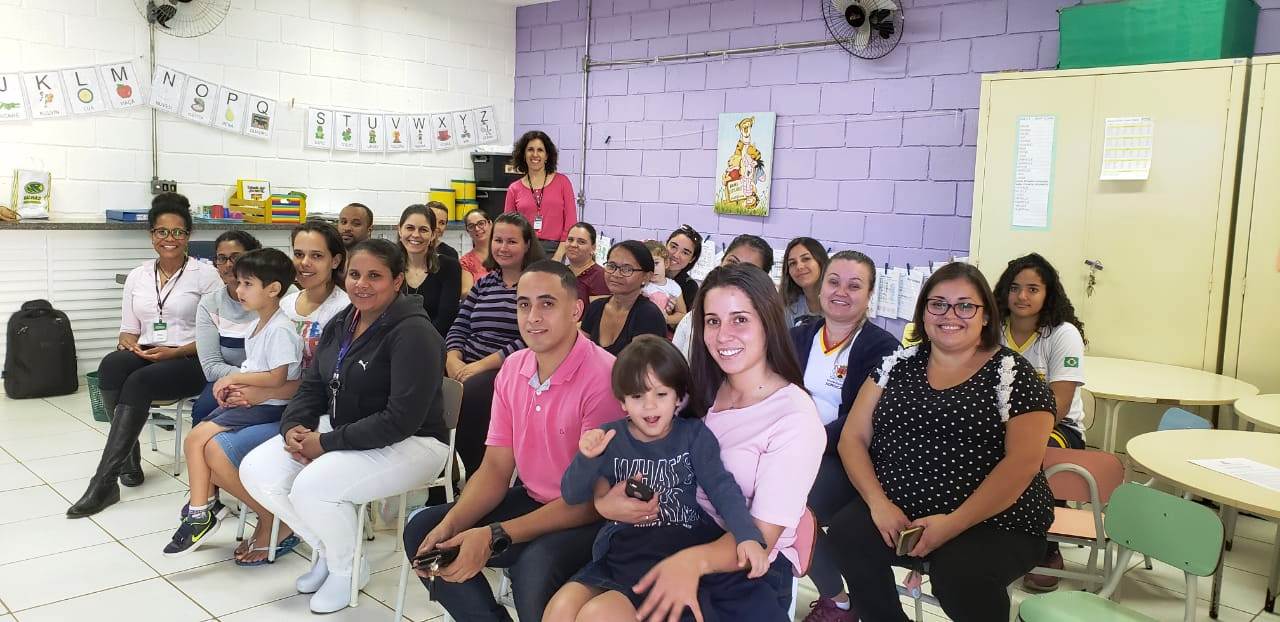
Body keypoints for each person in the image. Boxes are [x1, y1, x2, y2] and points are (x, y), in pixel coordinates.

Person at [827, 262, 1056, 622]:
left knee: (960, 574)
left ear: (985, 315)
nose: (950, 315)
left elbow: (1022, 464)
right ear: (923, 313)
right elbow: (852, 438)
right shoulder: (895, 366)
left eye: (965, 306)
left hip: (993, 519)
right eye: (938, 304)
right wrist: (878, 503)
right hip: (899, 507)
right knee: (846, 536)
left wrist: (953, 523)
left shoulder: (1013, 375)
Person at [598, 264, 825, 622]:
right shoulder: (700, 388)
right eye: (713, 322)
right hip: (673, 534)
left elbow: (761, 536)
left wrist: (692, 562)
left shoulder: (795, 417)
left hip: (743, 563)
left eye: (740, 320)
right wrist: (606, 500)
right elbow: (632, 445)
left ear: (768, 322)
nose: (722, 336)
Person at [405, 260, 624, 622]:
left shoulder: (604, 376)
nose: (533, 317)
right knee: (425, 532)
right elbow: (495, 468)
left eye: (547, 303)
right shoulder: (513, 367)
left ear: (576, 310)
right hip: (536, 498)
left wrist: (493, 534)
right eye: (524, 304)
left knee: (533, 572)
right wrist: (453, 523)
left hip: (594, 514)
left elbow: (589, 501)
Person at [240, 238, 451, 614]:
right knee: (257, 470)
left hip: (414, 443)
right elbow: (313, 386)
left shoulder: (414, 332)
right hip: (347, 428)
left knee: (313, 488)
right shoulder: (343, 321)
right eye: (355, 274)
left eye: (375, 276)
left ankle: (346, 570)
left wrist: (325, 443)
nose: (361, 284)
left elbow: (401, 420)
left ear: (397, 281)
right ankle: (329, 549)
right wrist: (295, 426)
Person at [545, 335, 770, 622]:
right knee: (560, 608)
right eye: (638, 396)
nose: (649, 406)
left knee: (598, 615)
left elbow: (722, 487)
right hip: (620, 552)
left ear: (679, 397)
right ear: (622, 402)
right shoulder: (610, 438)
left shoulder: (693, 435)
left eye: (661, 395)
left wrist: (747, 535)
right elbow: (571, 494)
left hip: (672, 551)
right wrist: (587, 457)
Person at [202, 221, 349, 566]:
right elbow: (264, 362)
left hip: (316, 409)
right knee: (204, 438)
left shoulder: (343, 310)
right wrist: (245, 389)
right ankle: (266, 513)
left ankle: (274, 520)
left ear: (336, 261)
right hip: (277, 400)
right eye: (298, 254)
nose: (305, 263)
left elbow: (330, 381)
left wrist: (256, 393)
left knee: (216, 450)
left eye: (316, 256)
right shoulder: (286, 301)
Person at [67, 193, 222, 518]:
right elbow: (129, 329)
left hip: (191, 359)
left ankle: (104, 482)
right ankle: (128, 458)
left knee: (138, 383)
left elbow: (215, 336)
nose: (169, 238)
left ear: (188, 236)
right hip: (150, 351)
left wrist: (174, 352)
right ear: (152, 235)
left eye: (178, 232)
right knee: (111, 366)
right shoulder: (138, 276)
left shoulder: (206, 276)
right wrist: (128, 342)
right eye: (162, 231)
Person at [164, 248, 302, 557]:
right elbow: (257, 368)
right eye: (239, 283)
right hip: (255, 402)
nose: (239, 290)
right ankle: (204, 507)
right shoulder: (258, 325)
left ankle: (200, 513)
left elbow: (277, 377)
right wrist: (237, 383)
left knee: (195, 439)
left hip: (270, 407)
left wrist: (234, 379)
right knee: (199, 445)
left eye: (247, 284)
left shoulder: (280, 329)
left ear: (273, 289)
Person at [788, 251, 899, 622]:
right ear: (821, 288)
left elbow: (865, 418)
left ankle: (838, 602)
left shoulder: (883, 348)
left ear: (869, 295)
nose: (841, 292)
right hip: (792, 447)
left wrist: (813, 442)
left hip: (844, 456)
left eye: (854, 286)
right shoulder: (799, 335)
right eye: (834, 282)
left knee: (793, 508)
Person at [993, 253, 1089, 592]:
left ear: (1048, 293)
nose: (1022, 296)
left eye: (1032, 289)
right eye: (1014, 288)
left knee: (1037, 453)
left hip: (1059, 429)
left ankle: (1047, 548)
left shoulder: (1062, 334)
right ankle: (992, 536)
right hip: (1000, 424)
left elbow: (1059, 406)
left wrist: (1016, 433)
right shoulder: (992, 329)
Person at [446, 212, 546, 474]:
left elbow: (529, 338)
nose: (503, 247)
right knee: (428, 387)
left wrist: (479, 367)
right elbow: (460, 324)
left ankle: (477, 474)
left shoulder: (536, 286)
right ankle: (443, 471)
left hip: (508, 369)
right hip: (467, 364)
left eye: (511, 241)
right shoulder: (484, 283)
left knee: (471, 395)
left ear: (527, 245)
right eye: (498, 240)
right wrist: (452, 358)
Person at [192, 230, 263, 424]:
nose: (228, 265)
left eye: (236, 257)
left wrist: (263, 382)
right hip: (230, 379)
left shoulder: (281, 295)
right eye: (222, 259)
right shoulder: (210, 304)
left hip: (277, 381)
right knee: (203, 411)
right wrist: (247, 379)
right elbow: (211, 367)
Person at [672, 234, 774, 358]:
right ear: (722, 260)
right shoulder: (691, 319)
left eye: (748, 269)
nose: (735, 272)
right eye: (732, 262)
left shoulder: (764, 327)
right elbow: (676, 364)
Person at [579, 240, 668, 357]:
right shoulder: (596, 307)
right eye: (611, 266)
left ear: (646, 277)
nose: (616, 274)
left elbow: (640, 365)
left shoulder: (649, 315)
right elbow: (580, 351)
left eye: (627, 269)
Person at [505, 130, 576, 260]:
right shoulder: (514, 189)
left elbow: (571, 222)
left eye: (540, 150)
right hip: (524, 251)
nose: (535, 154)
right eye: (530, 150)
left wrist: (558, 256)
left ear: (547, 155)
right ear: (523, 155)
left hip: (555, 250)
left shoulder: (563, 182)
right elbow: (509, 227)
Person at [398, 204, 465, 336]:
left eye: (423, 230)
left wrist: (420, 340)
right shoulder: (389, 266)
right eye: (410, 228)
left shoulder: (449, 267)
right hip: (394, 340)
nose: (415, 235)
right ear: (399, 230)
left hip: (434, 340)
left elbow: (446, 318)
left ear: (433, 234)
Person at [781, 237, 828, 328]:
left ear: (820, 262)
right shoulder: (788, 309)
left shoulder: (839, 303)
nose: (799, 267)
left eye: (806, 259)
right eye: (792, 263)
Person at [664, 225, 703, 326]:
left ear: (692, 259)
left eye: (685, 253)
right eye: (673, 247)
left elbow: (688, 326)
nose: (676, 255)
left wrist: (670, 317)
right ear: (665, 245)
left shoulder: (690, 287)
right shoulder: (648, 272)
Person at [642, 240, 688, 327]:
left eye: (656, 263)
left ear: (666, 263)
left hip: (660, 330)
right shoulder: (640, 283)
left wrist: (666, 319)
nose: (652, 268)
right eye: (647, 264)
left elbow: (682, 314)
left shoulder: (673, 287)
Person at [564, 221, 608, 305]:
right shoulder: (561, 272)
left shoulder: (600, 277)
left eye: (581, 242)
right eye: (570, 240)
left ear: (593, 248)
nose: (573, 245)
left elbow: (597, 312)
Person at [459, 209, 492, 283]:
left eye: (481, 223)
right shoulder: (466, 262)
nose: (477, 229)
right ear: (467, 231)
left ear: (490, 224)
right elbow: (466, 290)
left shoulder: (503, 253)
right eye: (471, 226)